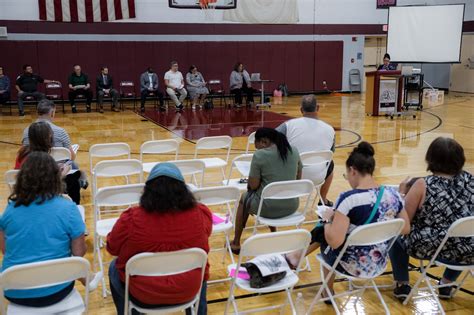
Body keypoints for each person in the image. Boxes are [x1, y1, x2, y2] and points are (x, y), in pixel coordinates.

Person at [286, 142, 410, 299]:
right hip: (378, 262)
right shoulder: (394, 195)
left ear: (352, 171)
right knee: (342, 226)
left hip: (351, 265)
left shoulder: (348, 199)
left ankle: (327, 290)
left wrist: (326, 220)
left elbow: (334, 242)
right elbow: (405, 229)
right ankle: (295, 256)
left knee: (326, 232)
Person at [107, 163, 212, 315]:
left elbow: (112, 248)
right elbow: (206, 234)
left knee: (113, 267)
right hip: (188, 290)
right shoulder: (201, 214)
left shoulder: (131, 218)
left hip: (143, 294)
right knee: (200, 268)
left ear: (147, 191)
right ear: (183, 190)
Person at [389, 137, 473, 301]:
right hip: (467, 250)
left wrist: (400, 195)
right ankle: (447, 283)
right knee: (460, 235)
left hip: (429, 247)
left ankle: (402, 283)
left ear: (431, 159)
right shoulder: (471, 181)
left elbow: (403, 221)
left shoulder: (422, 184)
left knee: (396, 233)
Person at [0, 151, 86, 307]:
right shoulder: (68, 207)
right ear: (55, 177)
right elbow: (79, 254)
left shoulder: (10, 210)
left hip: (15, 290)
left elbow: (5, 250)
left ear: (22, 178)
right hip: (58, 288)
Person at [230, 128, 303, 253]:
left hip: (268, 208)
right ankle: (273, 233)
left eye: (257, 146)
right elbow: (298, 177)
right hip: (292, 205)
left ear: (263, 142)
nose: (257, 150)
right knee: (271, 193)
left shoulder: (260, 155)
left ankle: (236, 242)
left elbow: (253, 186)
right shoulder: (294, 151)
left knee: (244, 198)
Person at [276, 94, 336, 205]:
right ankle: (323, 200)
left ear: (301, 110)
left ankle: (280, 198)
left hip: (293, 177)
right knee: (330, 164)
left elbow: (270, 140)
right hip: (319, 177)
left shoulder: (288, 126)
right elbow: (331, 153)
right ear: (317, 108)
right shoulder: (330, 129)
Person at [15, 121, 82, 204]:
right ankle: (75, 206)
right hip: (40, 196)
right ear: (47, 138)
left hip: (24, 194)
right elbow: (45, 182)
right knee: (73, 178)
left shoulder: (22, 153)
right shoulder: (44, 158)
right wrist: (62, 173)